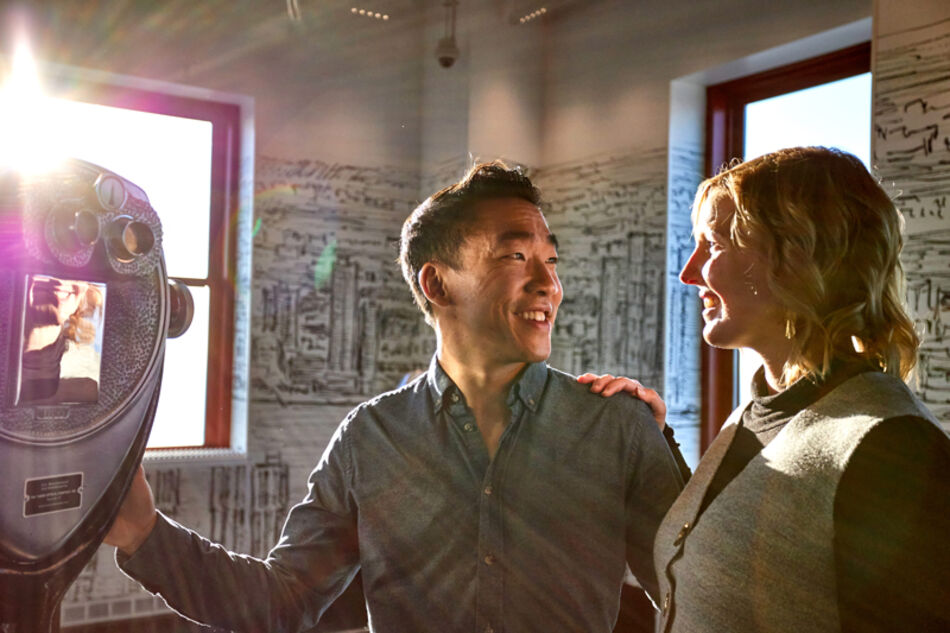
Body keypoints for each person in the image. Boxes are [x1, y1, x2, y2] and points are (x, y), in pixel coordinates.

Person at [106, 161, 686, 632]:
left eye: (551, 261)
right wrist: (143, 534)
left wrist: (663, 446)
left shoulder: (617, 428)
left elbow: (699, 591)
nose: (549, 284)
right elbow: (281, 602)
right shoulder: (370, 439)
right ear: (437, 284)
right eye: (516, 256)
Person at [649, 146, 950, 632]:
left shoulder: (892, 447)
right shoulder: (753, 416)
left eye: (714, 244)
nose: (689, 273)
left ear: (800, 253)